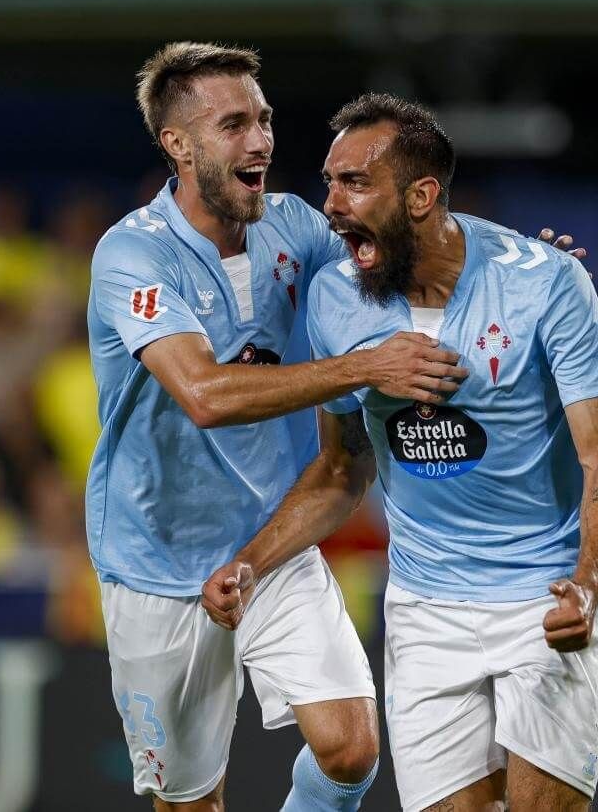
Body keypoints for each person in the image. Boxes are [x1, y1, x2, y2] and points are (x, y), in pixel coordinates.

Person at [201, 94, 598, 811]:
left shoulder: (546, 282)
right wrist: (251, 562)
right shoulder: (335, 300)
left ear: (422, 196)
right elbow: (342, 470)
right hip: (426, 610)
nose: (332, 204)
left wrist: (589, 581)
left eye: (355, 183)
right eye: (329, 180)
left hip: (546, 596)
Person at [88, 42, 471, 811]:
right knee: (191, 800)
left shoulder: (296, 227)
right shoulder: (132, 254)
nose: (260, 139)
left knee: (352, 746)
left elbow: (396, 262)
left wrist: (505, 268)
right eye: (233, 124)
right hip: (159, 564)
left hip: (273, 540)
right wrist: (364, 369)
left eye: (263, 118)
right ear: (177, 143)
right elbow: (203, 393)